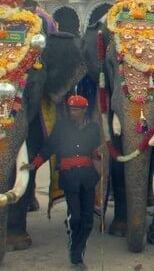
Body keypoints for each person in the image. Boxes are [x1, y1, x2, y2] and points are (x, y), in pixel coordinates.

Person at [21, 95, 100, 269]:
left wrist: (100, 156)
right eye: (71, 109)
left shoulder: (93, 128)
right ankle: (76, 254)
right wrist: (35, 164)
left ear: (84, 110)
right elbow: (49, 147)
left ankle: (78, 249)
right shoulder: (61, 127)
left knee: (88, 220)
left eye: (77, 109)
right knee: (76, 217)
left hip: (87, 177)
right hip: (69, 177)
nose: (74, 112)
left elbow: (96, 149)